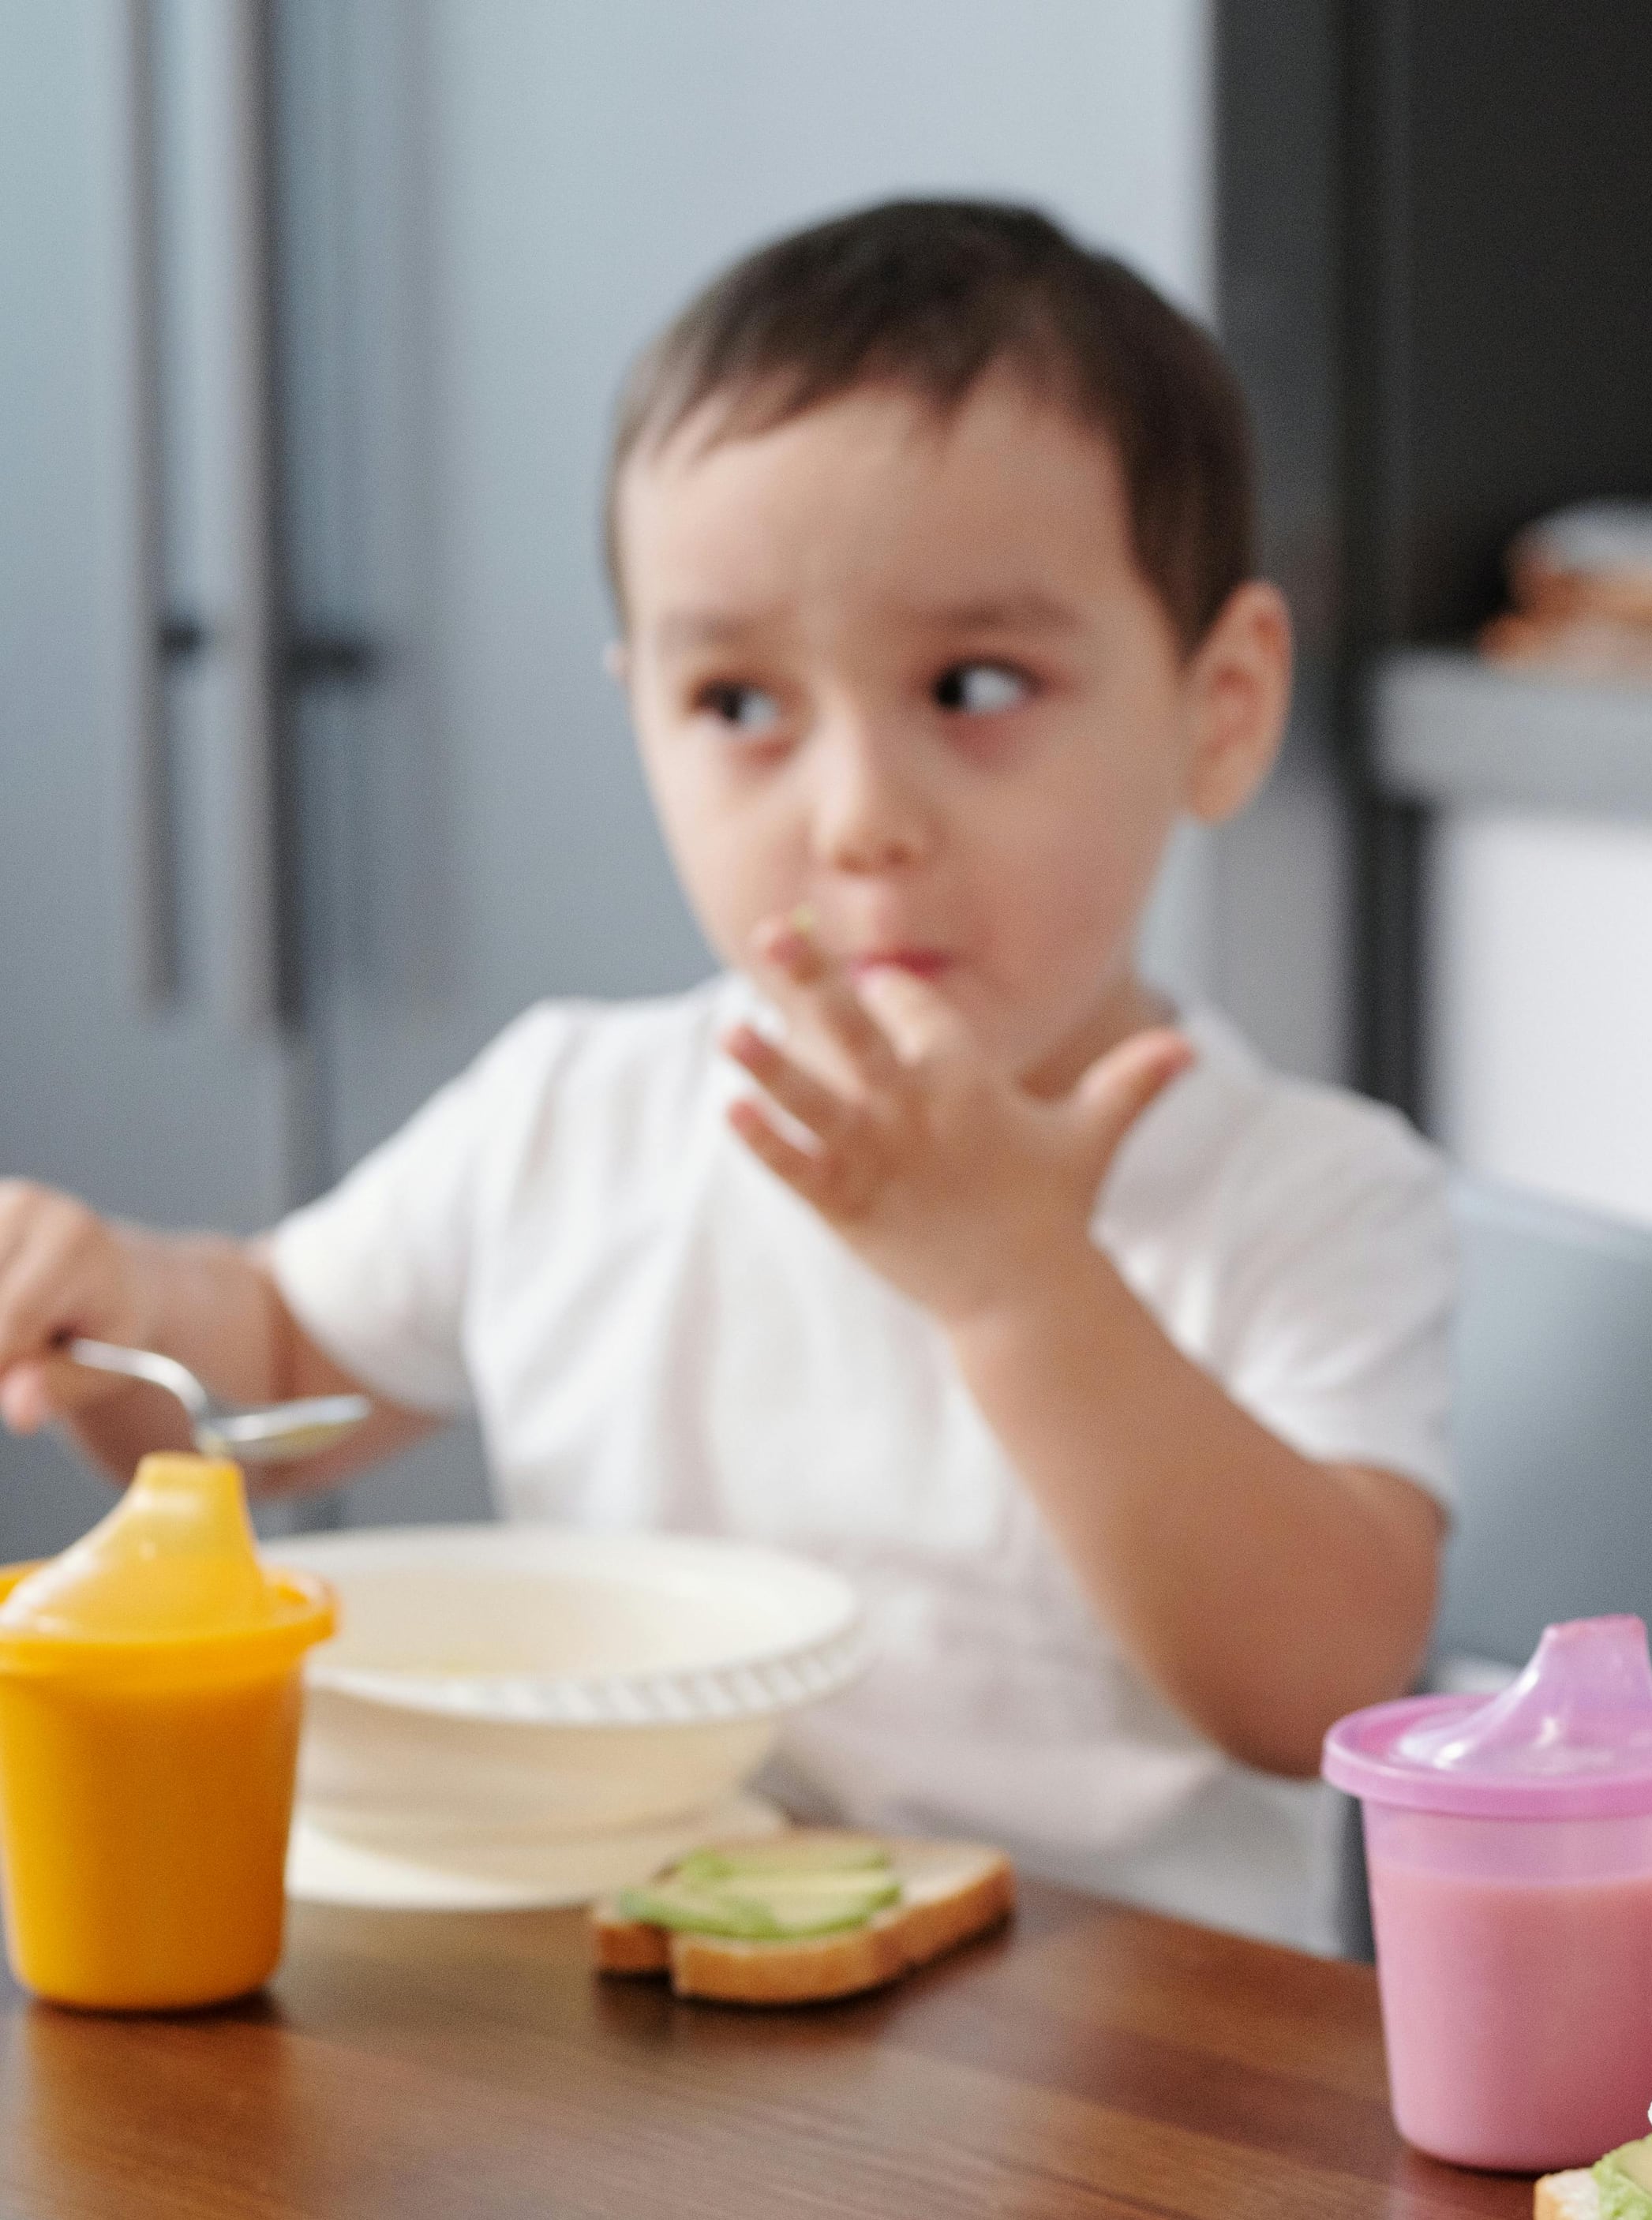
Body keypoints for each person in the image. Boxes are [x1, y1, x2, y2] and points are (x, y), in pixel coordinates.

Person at [0, 200, 1448, 1949]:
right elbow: (267, 1373)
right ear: (642, 715)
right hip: (635, 2042)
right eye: (742, 708)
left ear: (1217, 707)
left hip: (1127, 2104)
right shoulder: (571, 1117)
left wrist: (1014, 1283)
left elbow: (1320, 1694)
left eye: (975, 684)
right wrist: (113, 1307)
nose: (856, 823)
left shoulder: (1307, 1193)